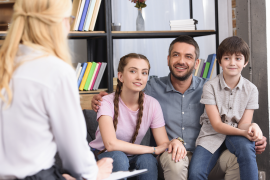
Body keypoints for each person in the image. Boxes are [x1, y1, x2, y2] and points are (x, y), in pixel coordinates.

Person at [91, 35, 267, 180]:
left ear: (197, 63)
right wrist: (101, 98)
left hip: (207, 152)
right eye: (176, 55)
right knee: (175, 161)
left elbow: (232, 121)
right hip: (171, 153)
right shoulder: (151, 87)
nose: (181, 61)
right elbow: (128, 87)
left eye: (188, 57)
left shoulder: (210, 89)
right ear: (168, 59)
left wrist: (253, 137)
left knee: (237, 159)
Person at [0, 0, 112, 179]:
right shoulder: (55, 71)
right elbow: (74, 155)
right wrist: (95, 173)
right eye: (69, 18)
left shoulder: (5, 65)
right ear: (57, 23)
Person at [89, 53, 186, 180]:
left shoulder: (152, 104)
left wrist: (175, 142)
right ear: (121, 76)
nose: (139, 77)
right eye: (133, 71)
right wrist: (153, 150)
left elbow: (162, 143)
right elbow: (111, 144)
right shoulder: (106, 102)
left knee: (148, 160)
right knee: (119, 157)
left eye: (144, 73)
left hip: (133, 154)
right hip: (101, 154)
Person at [188, 36, 262, 180]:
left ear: (245, 62)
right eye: (227, 58)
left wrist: (253, 126)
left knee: (247, 149)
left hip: (237, 133)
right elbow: (216, 125)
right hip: (211, 134)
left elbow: (244, 124)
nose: (232, 63)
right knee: (196, 172)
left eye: (238, 58)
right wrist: (243, 132)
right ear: (220, 61)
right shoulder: (209, 86)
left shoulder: (251, 89)